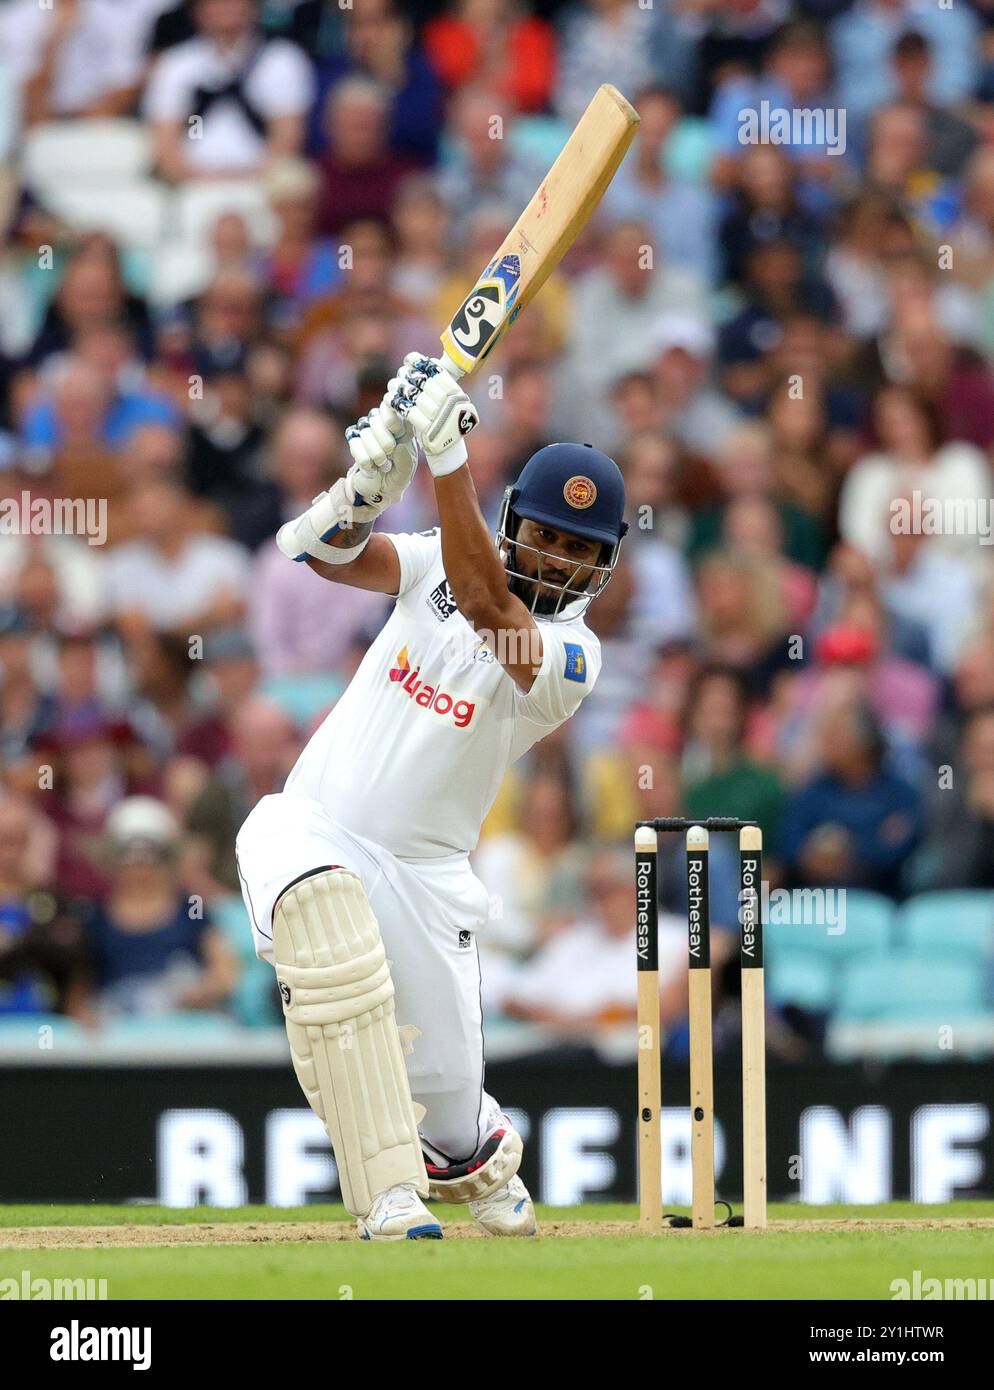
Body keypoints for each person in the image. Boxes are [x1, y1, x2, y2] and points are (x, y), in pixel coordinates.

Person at [236, 352, 628, 1239]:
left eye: (580, 550)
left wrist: (446, 453)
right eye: (548, 535)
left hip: (425, 875)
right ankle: (387, 1194)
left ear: (601, 566)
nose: (559, 561)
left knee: (448, 1110)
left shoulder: (573, 656)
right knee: (328, 941)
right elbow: (321, 554)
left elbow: (494, 614)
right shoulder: (432, 562)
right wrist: (371, 481)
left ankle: (474, 1153)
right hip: (314, 823)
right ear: (514, 522)